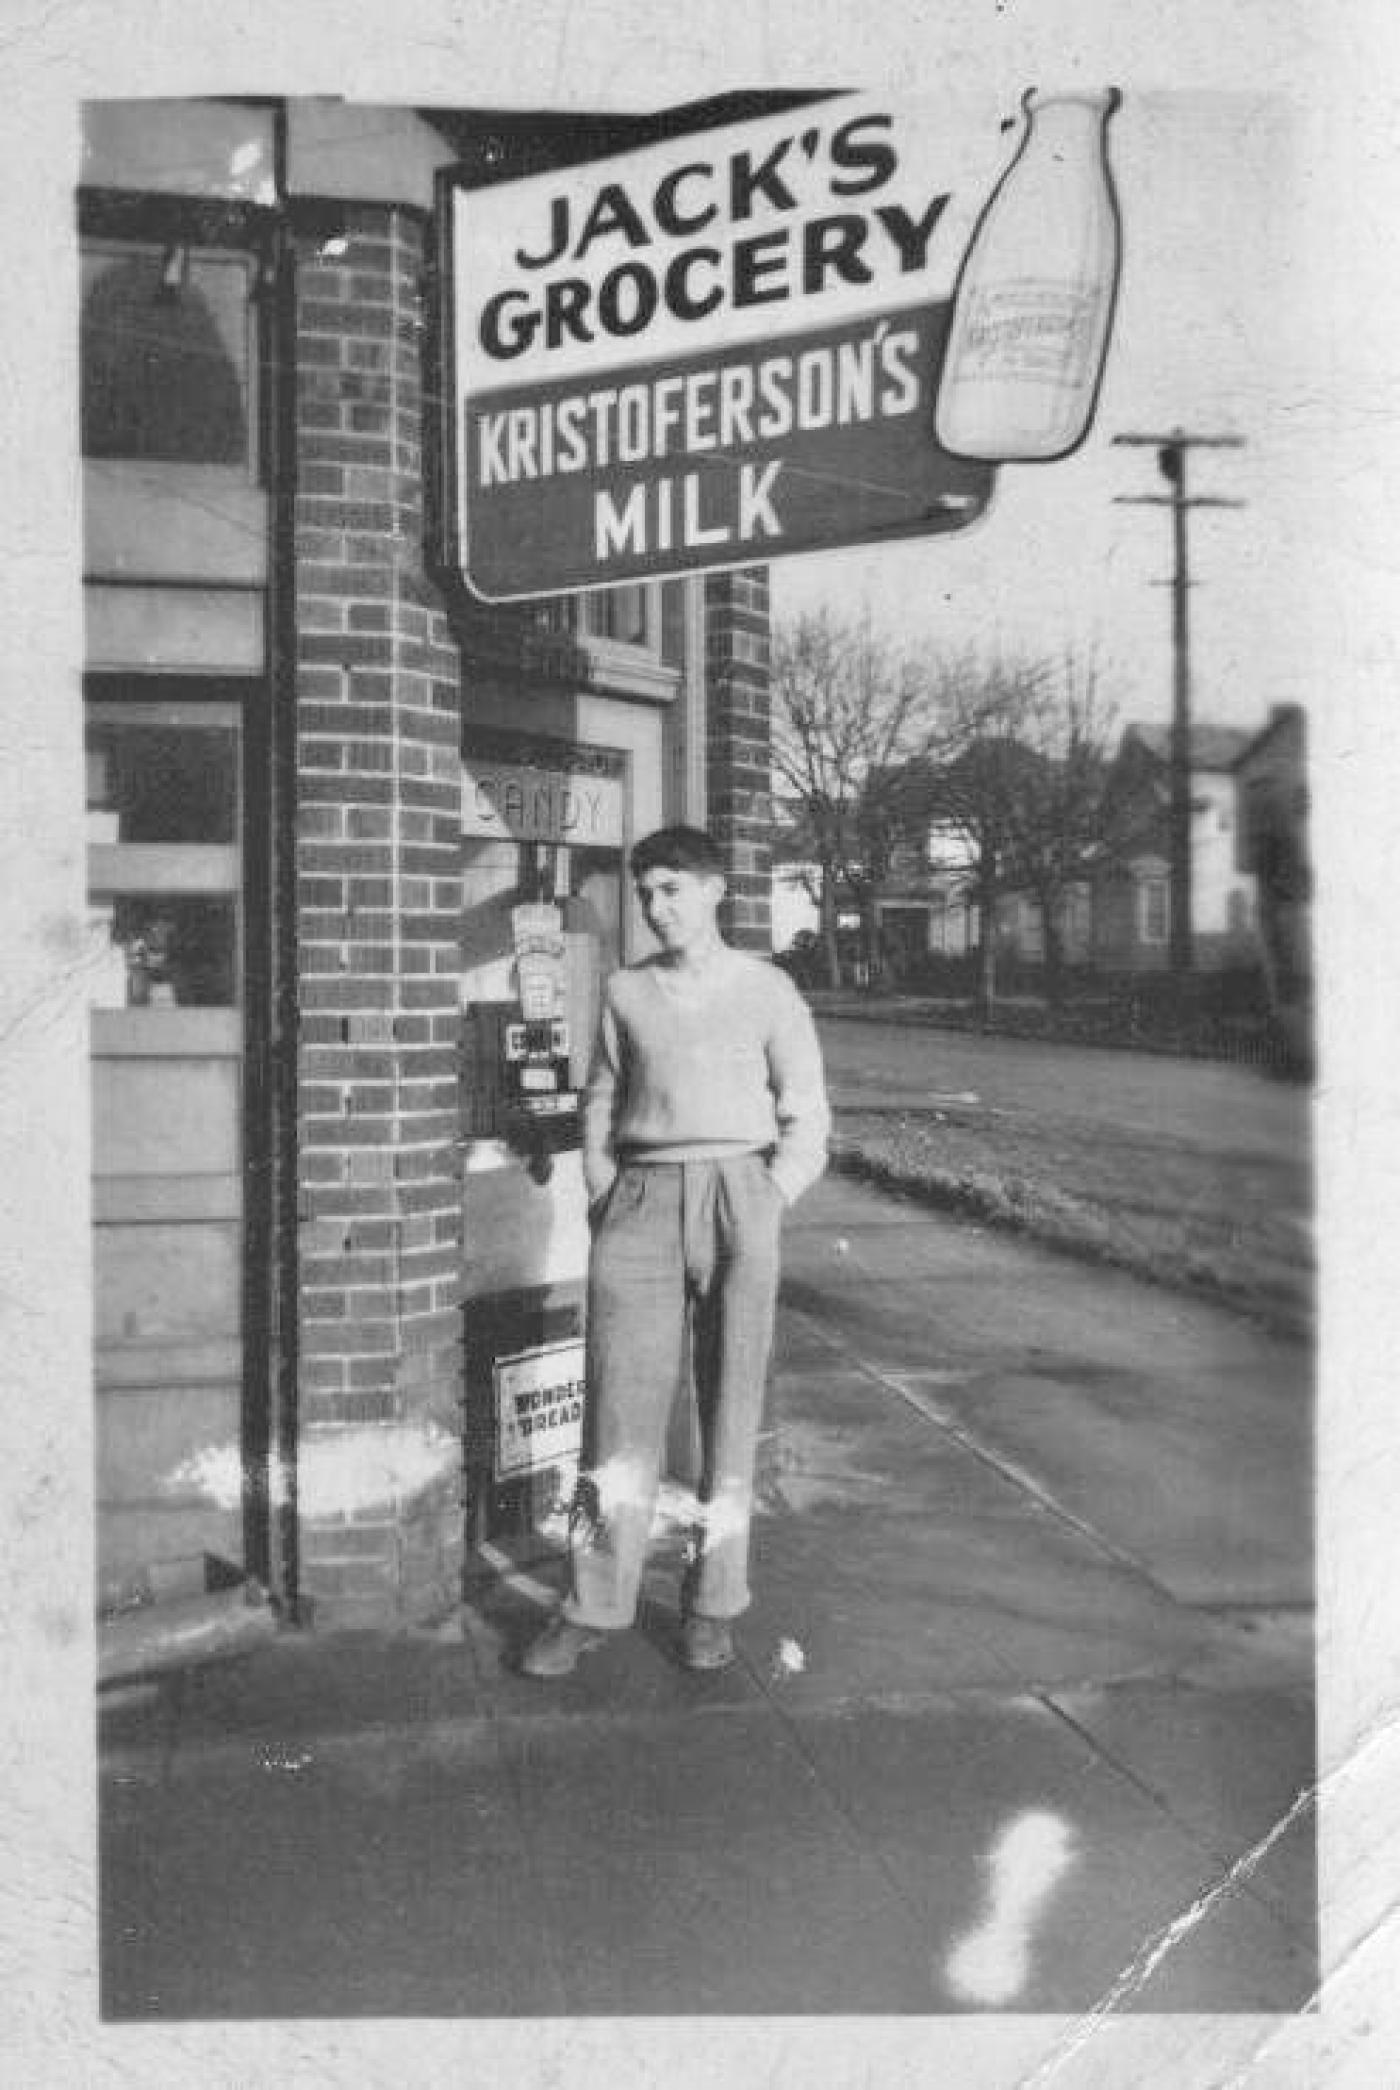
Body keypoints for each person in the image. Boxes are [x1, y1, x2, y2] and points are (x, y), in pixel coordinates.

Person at [522, 824, 830, 1677]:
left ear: (713, 891)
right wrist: (602, 1191)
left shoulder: (768, 991)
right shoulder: (626, 992)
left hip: (740, 1198)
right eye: (647, 892)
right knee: (613, 1419)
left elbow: (807, 1113)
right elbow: (600, 1102)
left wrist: (769, 1199)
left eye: (673, 889)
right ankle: (589, 1604)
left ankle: (711, 1604)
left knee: (729, 1415)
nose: (657, 907)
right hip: (644, 1205)